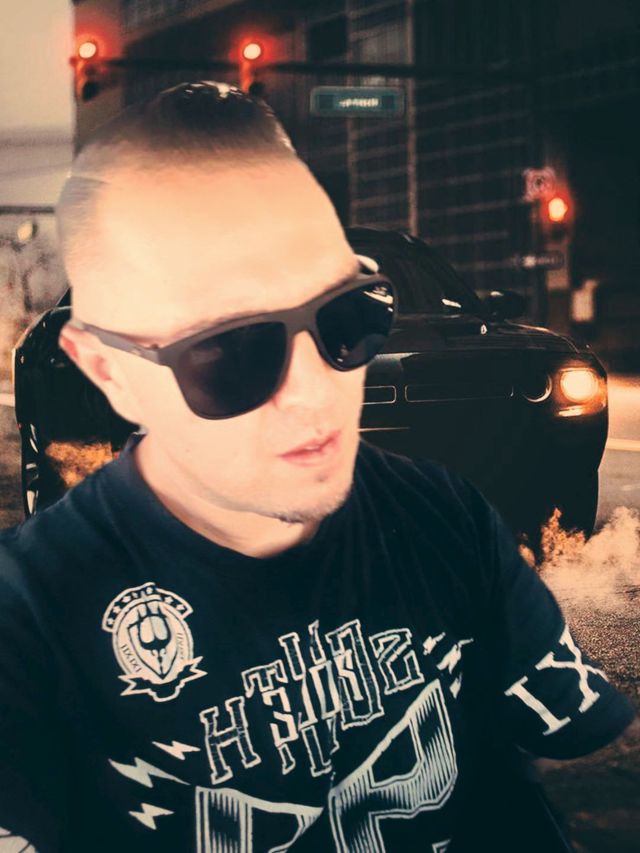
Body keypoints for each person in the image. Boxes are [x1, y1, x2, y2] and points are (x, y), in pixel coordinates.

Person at [0, 81, 634, 853]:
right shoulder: (27, 620)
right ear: (107, 369)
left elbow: (575, 771)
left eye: (349, 316)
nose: (318, 392)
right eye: (230, 349)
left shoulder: (442, 512)